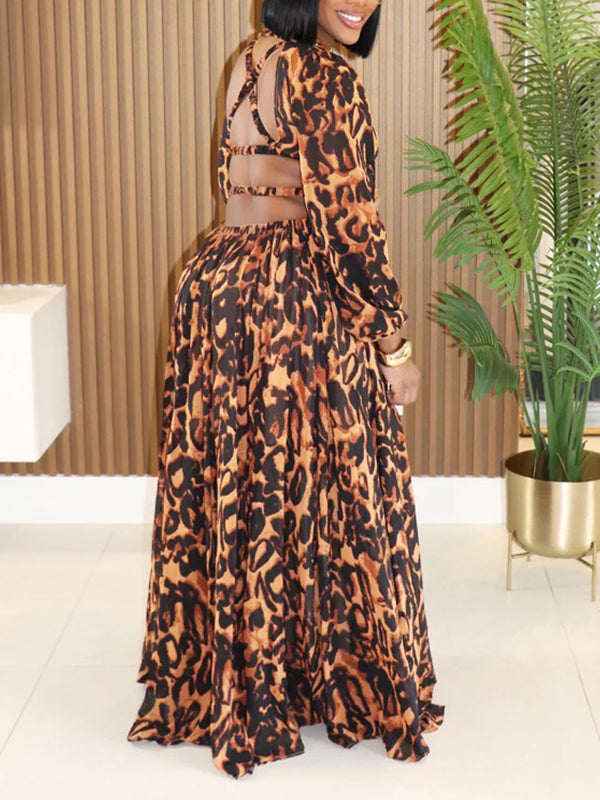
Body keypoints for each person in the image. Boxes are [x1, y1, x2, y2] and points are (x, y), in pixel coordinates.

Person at [127, 0, 444, 779]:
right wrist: (394, 343)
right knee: (332, 491)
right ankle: (337, 681)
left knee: (252, 489)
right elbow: (350, 226)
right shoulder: (327, 76)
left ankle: (258, 681)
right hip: (291, 300)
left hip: (220, 286)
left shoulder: (250, 60)